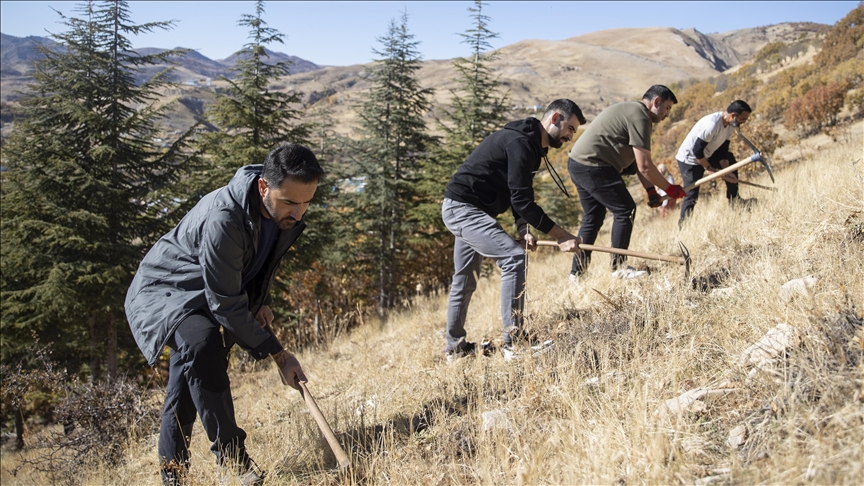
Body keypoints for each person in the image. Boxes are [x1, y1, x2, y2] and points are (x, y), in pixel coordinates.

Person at [125, 143, 324, 486]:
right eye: (291, 202)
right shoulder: (225, 217)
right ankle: (235, 462)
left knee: (185, 388)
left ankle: (172, 478)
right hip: (167, 291)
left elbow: (254, 267)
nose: (299, 213)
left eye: (307, 202)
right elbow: (225, 303)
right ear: (264, 187)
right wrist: (279, 354)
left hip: (204, 291)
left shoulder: (275, 210)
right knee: (203, 346)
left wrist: (257, 301)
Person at [443, 99, 584, 361]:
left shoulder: (530, 145)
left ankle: (456, 349)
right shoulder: (520, 143)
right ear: (555, 118)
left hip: (468, 209)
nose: (570, 136)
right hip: (463, 209)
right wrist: (562, 236)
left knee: (464, 279)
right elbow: (522, 201)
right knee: (513, 258)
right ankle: (514, 343)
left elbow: (517, 194)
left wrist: (523, 228)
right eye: (571, 129)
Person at [567, 85, 687, 280]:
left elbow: (636, 164)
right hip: (594, 165)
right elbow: (646, 166)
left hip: (579, 163)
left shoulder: (632, 112)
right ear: (656, 102)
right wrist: (670, 188)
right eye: (667, 108)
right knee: (625, 209)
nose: (667, 114)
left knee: (594, 216)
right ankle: (618, 268)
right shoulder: (640, 117)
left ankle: (577, 274)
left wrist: (651, 191)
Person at [676, 100, 752, 227]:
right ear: (733, 115)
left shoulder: (730, 126)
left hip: (707, 154)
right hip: (690, 159)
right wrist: (709, 168)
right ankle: (684, 226)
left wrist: (728, 172)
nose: (743, 122)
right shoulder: (711, 125)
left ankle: (735, 201)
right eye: (743, 119)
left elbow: (723, 153)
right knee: (691, 194)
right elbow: (697, 151)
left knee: (731, 160)